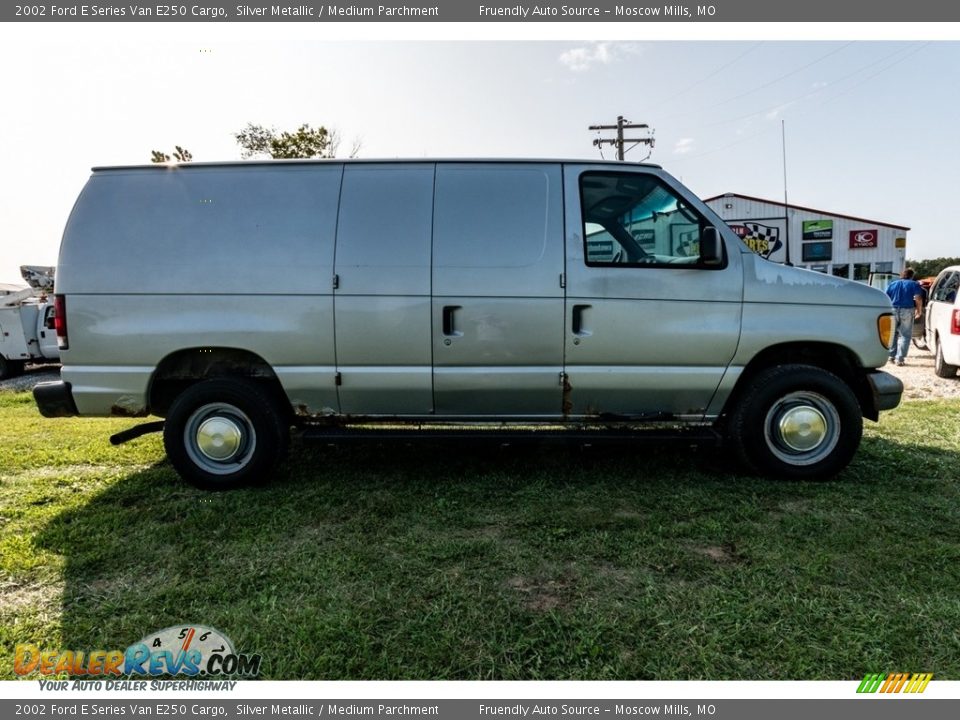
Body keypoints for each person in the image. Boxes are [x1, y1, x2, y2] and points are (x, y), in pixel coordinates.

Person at [885, 268, 924, 366]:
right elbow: (918, 298)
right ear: (911, 276)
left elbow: (886, 297)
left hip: (892, 309)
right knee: (905, 335)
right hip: (907, 310)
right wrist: (919, 310)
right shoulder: (914, 284)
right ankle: (900, 359)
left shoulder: (892, 284)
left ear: (901, 275)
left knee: (892, 334)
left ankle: (891, 356)